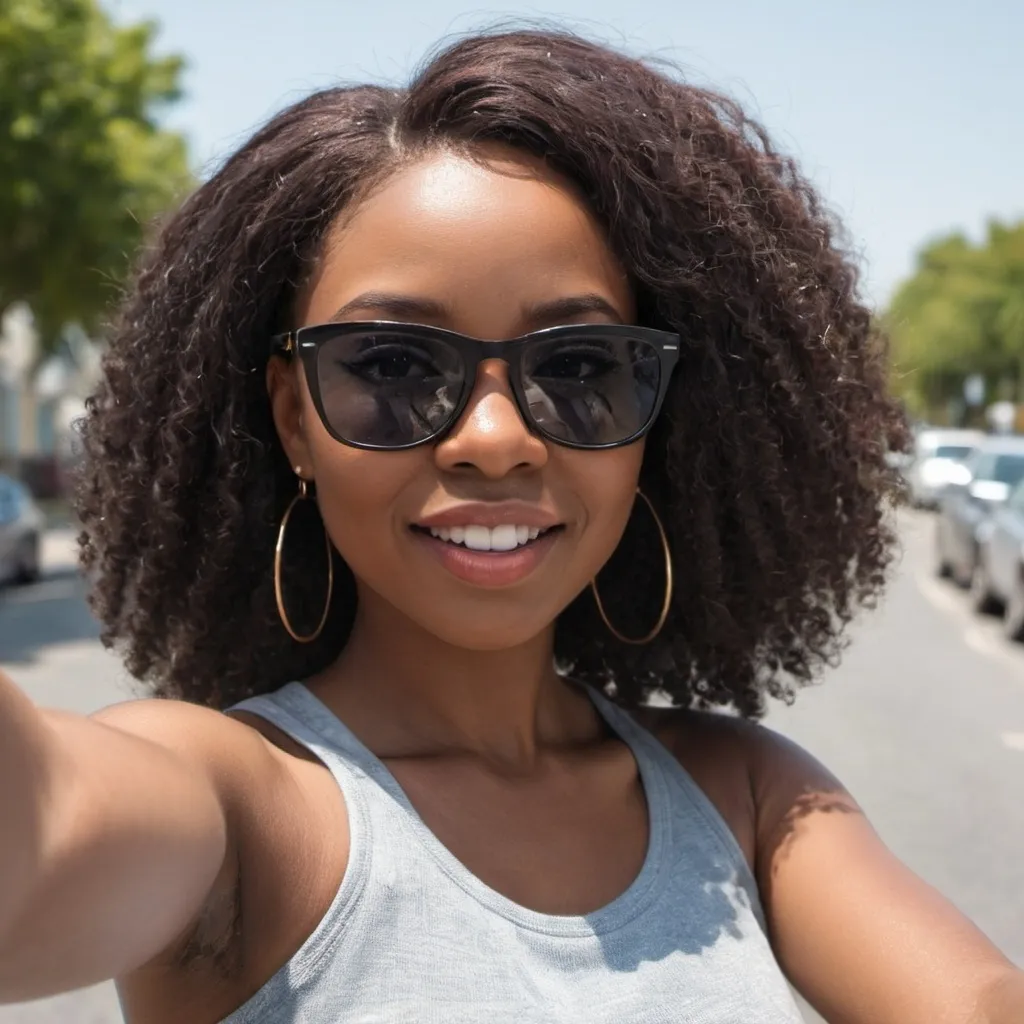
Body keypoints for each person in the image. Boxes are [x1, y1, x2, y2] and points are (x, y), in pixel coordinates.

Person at [0, 28, 1021, 1024]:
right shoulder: (242, 809)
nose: (495, 440)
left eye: (579, 368)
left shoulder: (743, 795)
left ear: (660, 428)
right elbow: (37, 839)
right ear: (293, 420)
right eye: (393, 365)